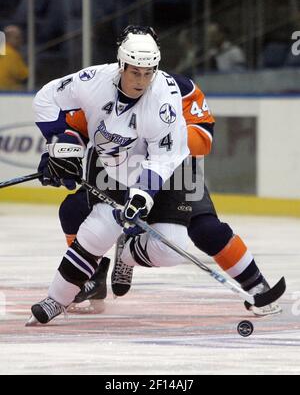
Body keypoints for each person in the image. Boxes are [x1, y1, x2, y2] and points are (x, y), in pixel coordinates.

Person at [59, 75, 281, 317]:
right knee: (74, 209)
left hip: (174, 171)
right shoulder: (99, 86)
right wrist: (59, 155)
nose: (141, 70)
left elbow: (203, 139)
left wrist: (159, 136)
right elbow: (75, 128)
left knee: (206, 229)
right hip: (118, 169)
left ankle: (255, 284)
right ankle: (92, 276)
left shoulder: (181, 89)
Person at [27, 25, 199, 325]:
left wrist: (143, 194)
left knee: (172, 250)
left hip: (168, 176)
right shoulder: (93, 80)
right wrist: (58, 146)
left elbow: (164, 158)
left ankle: (128, 253)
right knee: (96, 233)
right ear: (121, 65)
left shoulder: (164, 100)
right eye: (135, 72)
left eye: (148, 73)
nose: (141, 81)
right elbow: (45, 98)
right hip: (115, 172)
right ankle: (56, 299)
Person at [0, 25, 28, 91]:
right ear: (7, 38)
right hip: (7, 90)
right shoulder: (11, 53)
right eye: (17, 38)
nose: (20, 40)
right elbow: (23, 75)